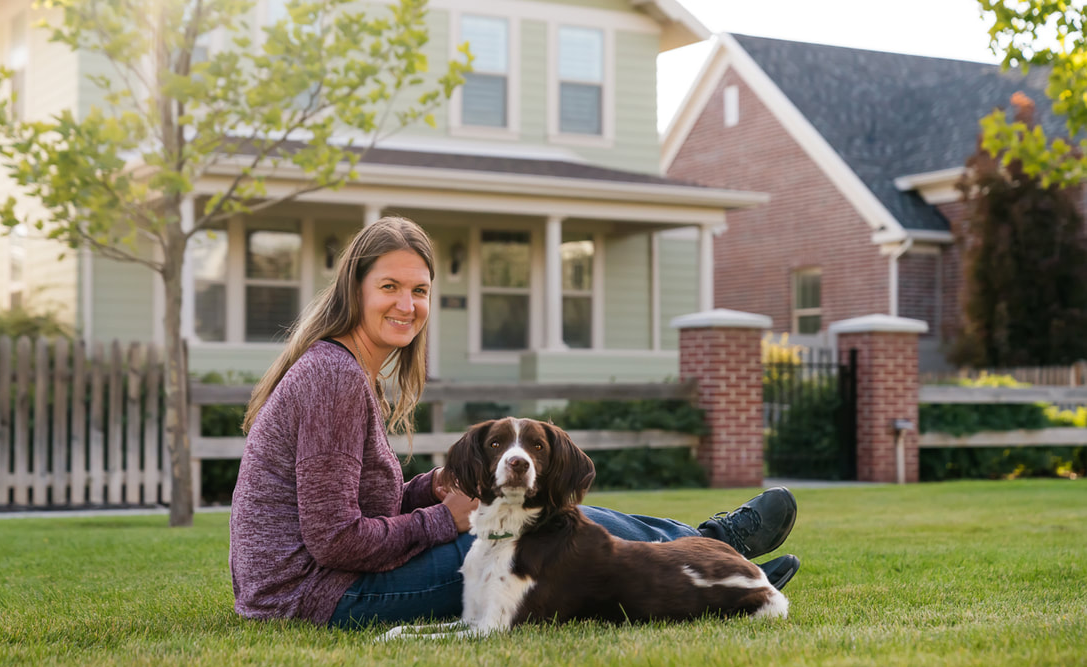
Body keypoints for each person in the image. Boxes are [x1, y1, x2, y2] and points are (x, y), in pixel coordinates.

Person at [229, 216, 799, 629]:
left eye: (420, 291)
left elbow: (356, 507)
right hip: (317, 595)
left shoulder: (343, 371)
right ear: (354, 288)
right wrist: (441, 520)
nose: (407, 305)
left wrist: (432, 488)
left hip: (315, 584)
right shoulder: (333, 378)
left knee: (550, 519)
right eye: (389, 287)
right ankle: (711, 555)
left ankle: (707, 552)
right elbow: (335, 540)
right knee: (545, 532)